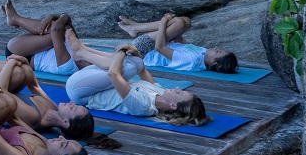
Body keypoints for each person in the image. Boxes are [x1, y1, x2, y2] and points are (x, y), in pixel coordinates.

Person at [63, 30, 210, 126]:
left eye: (179, 93)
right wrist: (133, 50)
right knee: (136, 62)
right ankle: (82, 50)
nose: (178, 88)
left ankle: (81, 52)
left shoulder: (144, 106)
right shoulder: (159, 92)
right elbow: (143, 69)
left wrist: (122, 52)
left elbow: (113, 75)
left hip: (80, 91)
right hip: (93, 80)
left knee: (124, 68)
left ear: (173, 106)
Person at [0, 7, 82, 81]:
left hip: (22, 53)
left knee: (62, 30)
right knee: (64, 30)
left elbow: (57, 29)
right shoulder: (80, 50)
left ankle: (15, 19)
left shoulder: (68, 65)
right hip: (34, 48)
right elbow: (64, 25)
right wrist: (57, 18)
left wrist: (52, 16)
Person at [117, 13, 238, 74]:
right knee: (185, 22)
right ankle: (135, 27)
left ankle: (135, 28)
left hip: (144, 50)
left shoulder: (190, 60)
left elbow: (159, 48)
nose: (216, 47)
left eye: (218, 51)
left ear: (214, 62)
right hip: (158, 44)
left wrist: (164, 22)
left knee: (177, 22)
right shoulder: (203, 54)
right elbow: (180, 42)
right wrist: (179, 31)